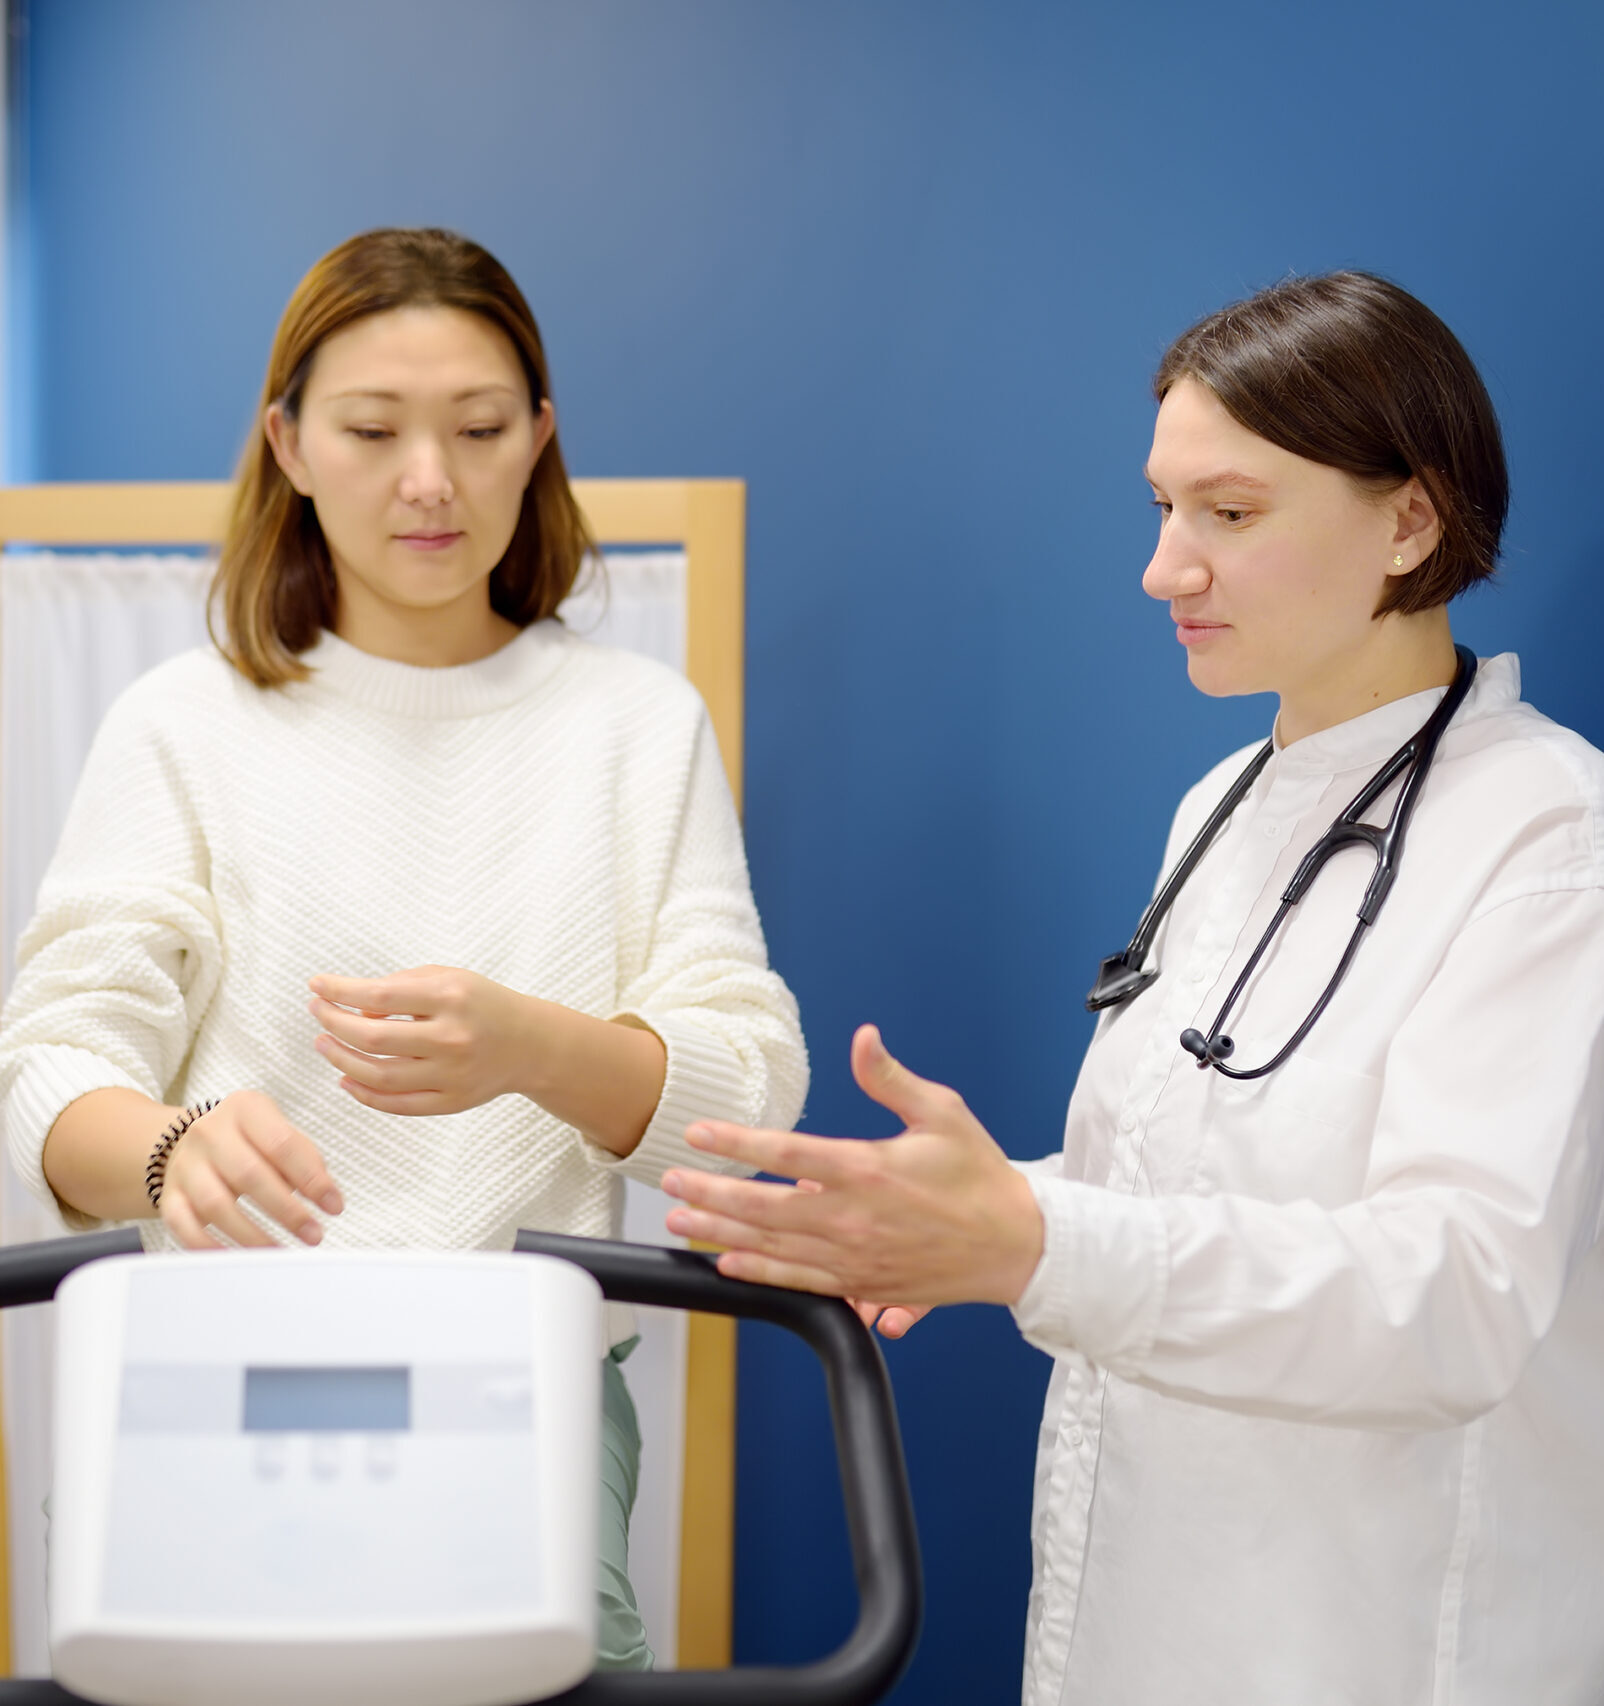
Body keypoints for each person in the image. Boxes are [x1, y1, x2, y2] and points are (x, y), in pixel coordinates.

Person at [659, 272, 1604, 1704]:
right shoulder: (1224, 802)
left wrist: (1036, 1240)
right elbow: (1174, 1194)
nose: (1166, 569)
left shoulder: (1549, 835)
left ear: (1410, 520)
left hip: (1375, 1650)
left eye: (1229, 514)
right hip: (1136, 1628)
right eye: (1162, 510)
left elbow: (1457, 1291)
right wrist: (937, 1222)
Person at [0, 226, 808, 1671]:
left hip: (530, 1395)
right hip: (207, 1384)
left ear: (540, 439)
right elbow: (51, 1063)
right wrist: (174, 1152)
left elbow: (747, 1092)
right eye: (373, 429)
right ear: (289, 442)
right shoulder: (182, 723)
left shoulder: (633, 724)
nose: (429, 480)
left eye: (480, 428)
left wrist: (533, 1048)